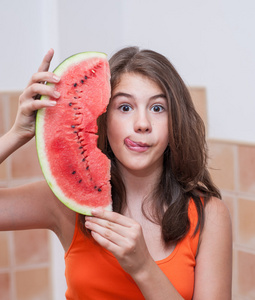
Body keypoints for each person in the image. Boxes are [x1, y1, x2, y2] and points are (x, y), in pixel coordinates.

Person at [0, 46, 232, 300]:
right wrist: (15, 135)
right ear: (102, 116)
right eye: (124, 107)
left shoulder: (209, 215)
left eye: (157, 108)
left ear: (175, 120)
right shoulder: (65, 203)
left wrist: (143, 267)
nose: (142, 123)